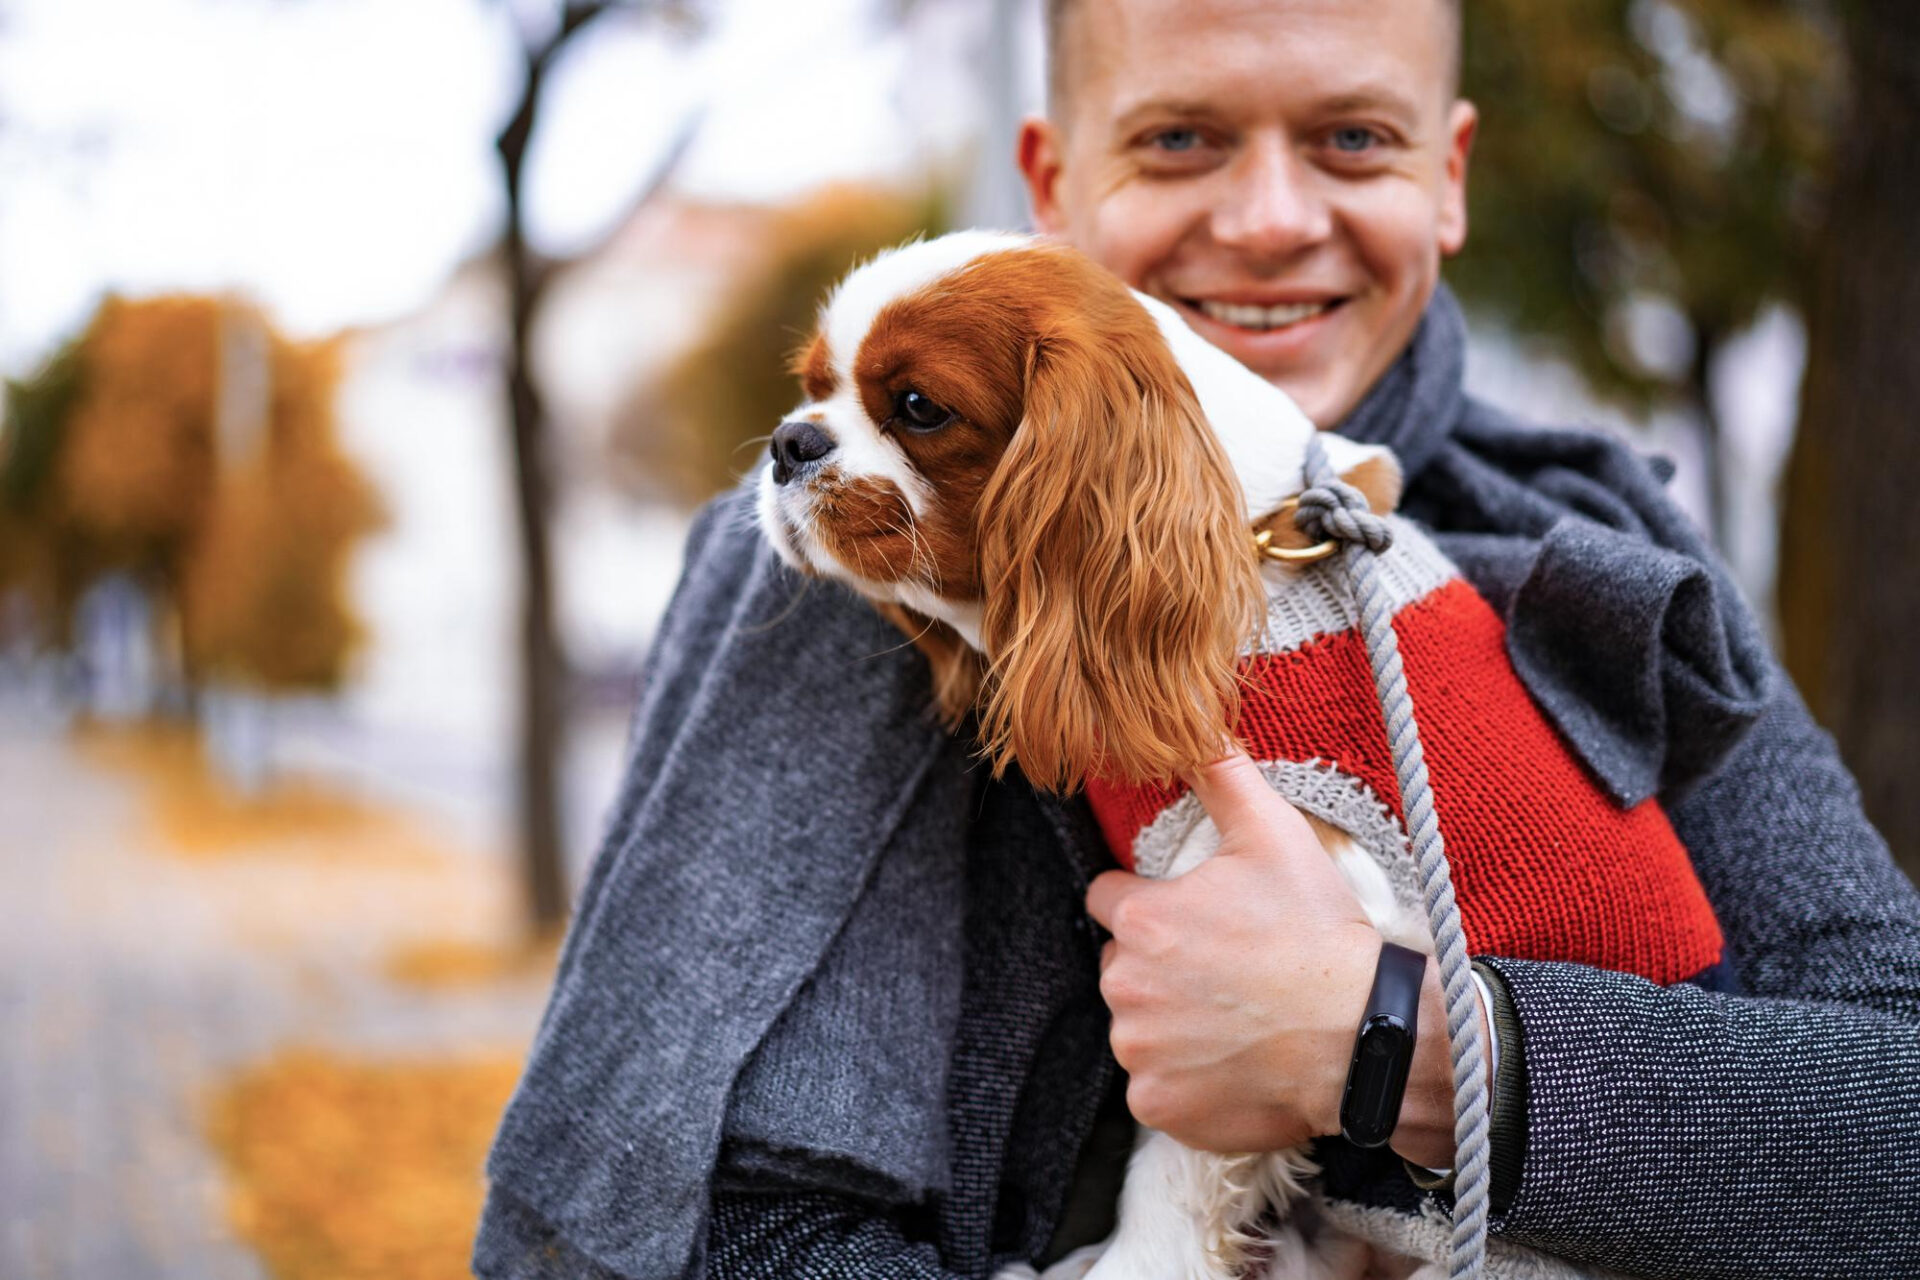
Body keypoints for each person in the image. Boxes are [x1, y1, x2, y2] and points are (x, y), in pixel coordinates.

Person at [474, 0, 1920, 1276]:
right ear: (1051, 180)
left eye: (1354, 138)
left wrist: (1388, 1042)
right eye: (1178, 141)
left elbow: (1893, 1132)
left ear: (1450, 178)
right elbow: (730, 1222)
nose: (1272, 217)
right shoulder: (869, 561)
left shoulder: (1608, 550)